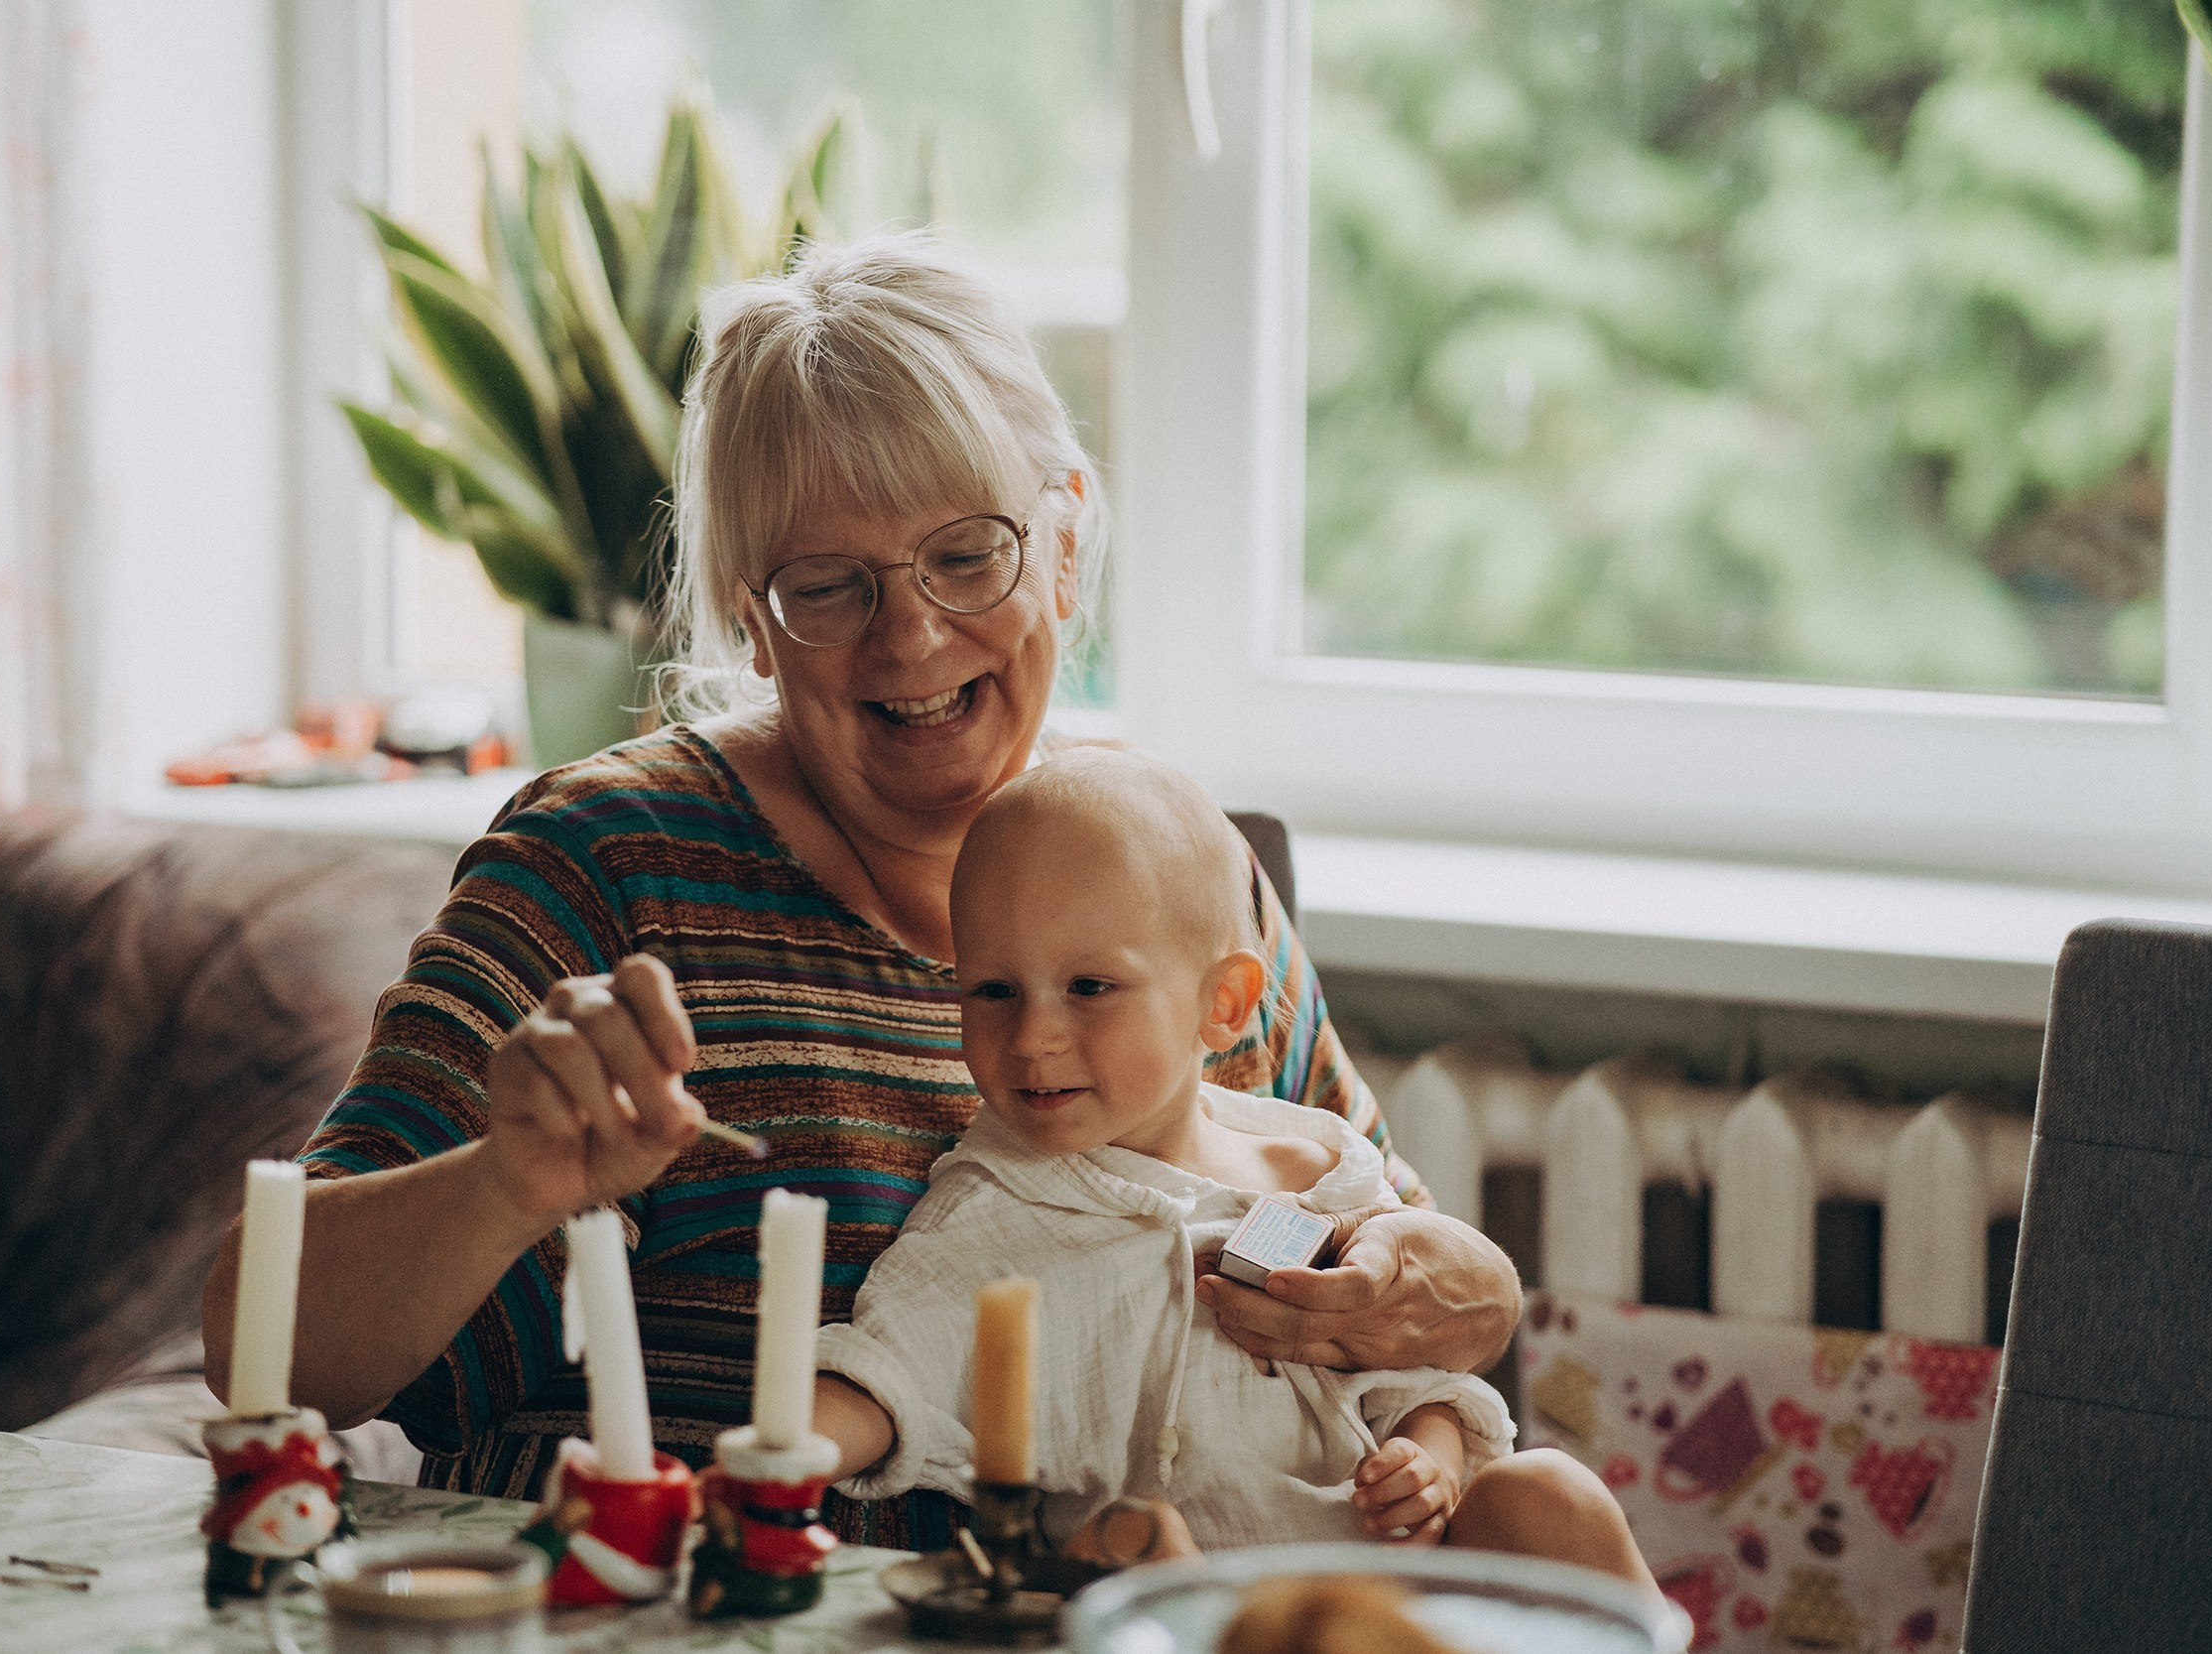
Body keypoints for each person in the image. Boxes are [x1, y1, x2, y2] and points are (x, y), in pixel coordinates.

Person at [201, 234, 1523, 1548]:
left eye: (969, 554)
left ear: (1063, 544)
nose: (912, 635)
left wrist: (1465, 1290)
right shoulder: (608, 867)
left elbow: (1401, 1273)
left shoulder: (1167, 864)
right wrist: (503, 1181)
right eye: (828, 586)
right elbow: (269, 1343)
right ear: (751, 618)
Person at [805, 750, 1656, 1588]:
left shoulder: (1322, 1174)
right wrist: (784, 1448)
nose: (1032, 1037)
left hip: (1390, 1601)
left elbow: (1422, 1382)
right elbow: (886, 1372)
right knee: (1133, 1537)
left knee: (1550, 1491)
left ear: (1224, 1003)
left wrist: (1424, 1462)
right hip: (1197, 1616)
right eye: (993, 990)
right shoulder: (994, 1202)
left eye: (1090, 987)